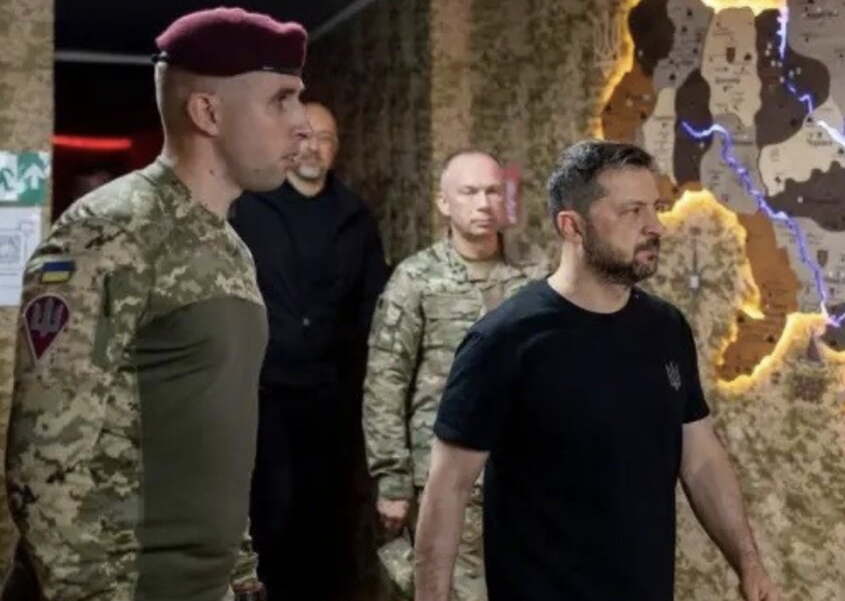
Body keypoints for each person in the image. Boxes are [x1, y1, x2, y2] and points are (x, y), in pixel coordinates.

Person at [3, 6, 309, 600]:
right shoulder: (109, 232)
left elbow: (216, 436)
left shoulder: (231, 248)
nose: (302, 123)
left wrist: (239, 574)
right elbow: (45, 462)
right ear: (208, 112)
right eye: (281, 100)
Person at [412, 140, 780, 601]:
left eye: (654, 208)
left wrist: (749, 564)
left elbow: (700, 456)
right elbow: (447, 490)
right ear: (573, 226)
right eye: (631, 212)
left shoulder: (666, 328)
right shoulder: (504, 340)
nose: (655, 226)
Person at [364, 148, 548, 599]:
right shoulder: (416, 279)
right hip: (443, 478)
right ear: (444, 202)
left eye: (493, 191)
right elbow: (385, 380)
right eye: (469, 192)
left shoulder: (534, 276)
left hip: (523, 476)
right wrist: (392, 479)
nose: (483, 203)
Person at [229, 101, 389, 600]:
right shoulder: (250, 209)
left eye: (325, 138)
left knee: (327, 518)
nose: (313, 147)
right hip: (265, 396)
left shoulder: (355, 217)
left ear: (336, 149)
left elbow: (373, 305)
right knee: (272, 514)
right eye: (304, 136)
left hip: (332, 398)